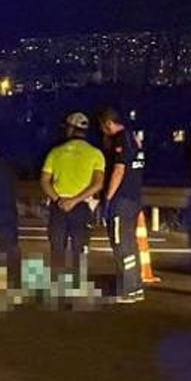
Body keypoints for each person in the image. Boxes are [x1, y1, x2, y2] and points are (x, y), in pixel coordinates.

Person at [40, 112, 105, 278]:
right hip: (82, 206)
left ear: (70, 129)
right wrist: (75, 200)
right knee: (80, 248)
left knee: (57, 248)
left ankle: (56, 282)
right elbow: (98, 183)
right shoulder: (95, 153)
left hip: (58, 206)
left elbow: (44, 181)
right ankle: (78, 282)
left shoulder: (55, 152)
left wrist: (58, 200)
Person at [98, 108, 145, 303]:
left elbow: (119, 169)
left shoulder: (120, 140)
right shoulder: (134, 139)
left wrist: (108, 198)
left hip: (121, 201)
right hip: (134, 199)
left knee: (121, 246)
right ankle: (135, 287)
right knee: (130, 246)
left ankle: (127, 289)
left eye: (102, 126)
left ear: (108, 123)